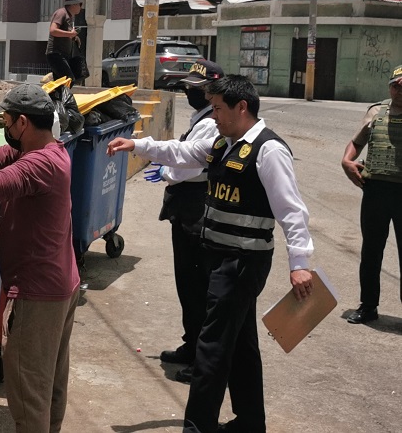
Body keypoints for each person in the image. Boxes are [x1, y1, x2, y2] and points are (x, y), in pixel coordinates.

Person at [107, 75, 314, 433]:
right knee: (242, 343)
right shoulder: (225, 143)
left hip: (242, 262)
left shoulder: (268, 150)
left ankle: (198, 427)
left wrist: (300, 264)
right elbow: (183, 153)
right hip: (222, 257)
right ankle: (250, 422)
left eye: (218, 108)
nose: (213, 115)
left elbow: (292, 211)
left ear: (242, 108)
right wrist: (138, 145)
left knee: (212, 348)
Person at [0, 84, 80, 433]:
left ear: (22, 122)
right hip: (61, 285)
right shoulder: (48, 150)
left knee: (27, 390)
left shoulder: (40, 163)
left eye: (6, 121)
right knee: (49, 384)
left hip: (37, 295)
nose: (5, 128)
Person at [145, 60, 224, 384]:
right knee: (188, 286)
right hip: (188, 209)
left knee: (197, 289)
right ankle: (191, 346)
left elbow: (190, 164)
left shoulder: (211, 123)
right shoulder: (203, 117)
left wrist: (165, 171)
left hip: (197, 210)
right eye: (190, 86)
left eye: (198, 88)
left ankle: (202, 360)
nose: (191, 91)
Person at [340, 64, 402, 324]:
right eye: (396, 85)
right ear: (390, 86)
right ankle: (368, 306)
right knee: (371, 250)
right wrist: (347, 161)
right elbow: (357, 142)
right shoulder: (376, 112)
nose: (400, 90)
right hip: (375, 190)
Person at [46, 0, 82, 82]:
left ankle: (55, 96)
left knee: (61, 83)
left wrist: (74, 37)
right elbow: (53, 30)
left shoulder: (69, 17)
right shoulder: (61, 13)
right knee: (69, 79)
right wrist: (70, 34)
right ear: (74, 4)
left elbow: (64, 34)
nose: (81, 7)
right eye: (80, 4)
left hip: (62, 54)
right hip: (56, 54)